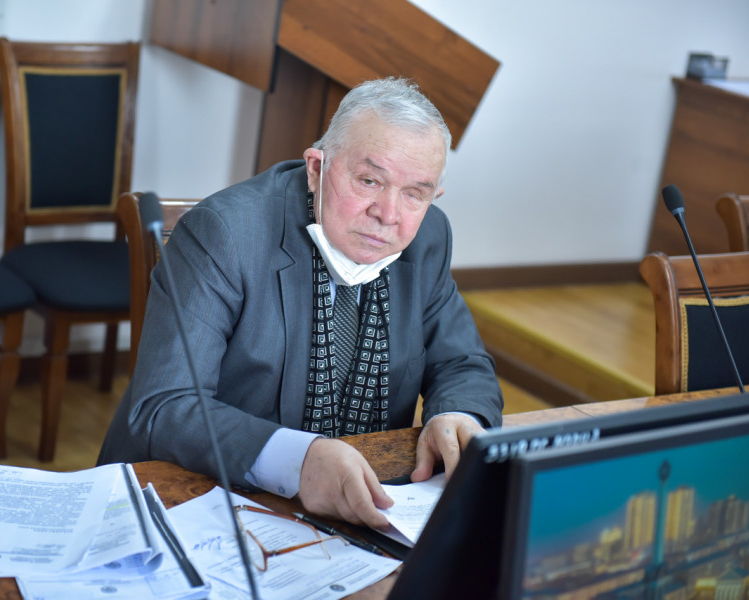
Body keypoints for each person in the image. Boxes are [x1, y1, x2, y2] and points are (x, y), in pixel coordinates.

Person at [98, 77, 503, 530]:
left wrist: (456, 414)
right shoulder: (225, 232)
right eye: (369, 181)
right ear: (315, 168)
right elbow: (166, 406)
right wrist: (299, 458)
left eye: (415, 193)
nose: (388, 214)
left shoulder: (428, 235)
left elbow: (462, 362)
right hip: (207, 496)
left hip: (367, 506)